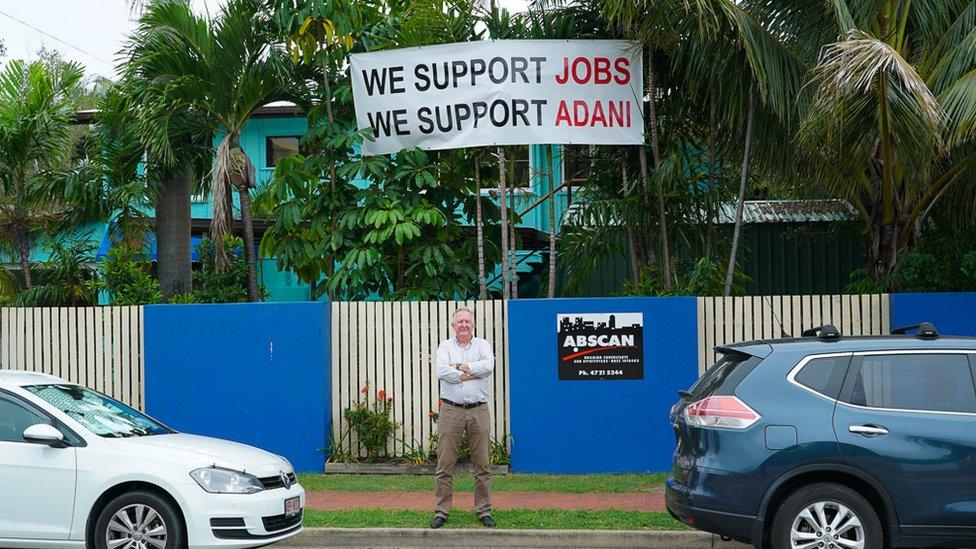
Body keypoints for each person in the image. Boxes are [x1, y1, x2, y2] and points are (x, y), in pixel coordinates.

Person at [430, 307, 496, 529]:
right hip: (451, 411)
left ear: (473, 324)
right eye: (460, 322)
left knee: (483, 465)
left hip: (479, 410)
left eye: (468, 321)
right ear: (453, 326)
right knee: (444, 464)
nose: (464, 325)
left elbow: (489, 366)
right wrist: (467, 374)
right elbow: (441, 371)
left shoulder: (483, 345)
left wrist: (459, 368)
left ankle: (484, 510)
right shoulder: (444, 347)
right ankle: (441, 511)